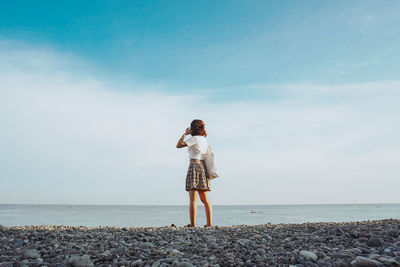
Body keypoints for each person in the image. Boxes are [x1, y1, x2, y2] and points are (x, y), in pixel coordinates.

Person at [176, 119, 212, 227]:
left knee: (193, 199)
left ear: (193, 128)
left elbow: (178, 145)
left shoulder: (194, 139)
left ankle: (193, 224)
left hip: (194, 165)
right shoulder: (204, 140)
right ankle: (209, 223)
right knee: (205, 199)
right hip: (203, 167)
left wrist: (185, 134)